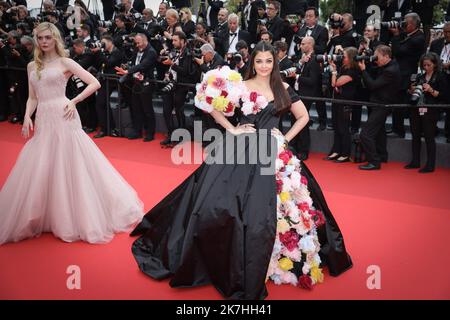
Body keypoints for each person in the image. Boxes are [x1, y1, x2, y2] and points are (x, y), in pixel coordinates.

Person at [130, 42, 352, 300]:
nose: (264, 66)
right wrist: (233, 128)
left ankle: (281, 251)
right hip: (240, 148)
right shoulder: (240, 86)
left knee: (285, 204)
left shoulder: (285, 88)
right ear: (252, 62)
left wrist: (285, 138)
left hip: (274, 152)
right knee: (218, 201)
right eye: (259, 61)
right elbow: (208, 103)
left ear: (275, 63)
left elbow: (303, 117)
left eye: (269, 61)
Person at [0, 23, 143, 244]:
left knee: (70, 161)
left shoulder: (65, 62)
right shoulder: (31, 66)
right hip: (44, 118)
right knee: (45, 163)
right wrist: (28, 115)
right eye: (40, 38)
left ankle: (74, 215)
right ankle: (48, 213)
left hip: (64, 114)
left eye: (48, 37)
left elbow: (94, 83)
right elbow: (33, 97)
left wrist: (74, 101)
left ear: (55, 39)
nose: (44, 41)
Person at [358, 45, 402, 170]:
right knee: (379, 132)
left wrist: (363, 70)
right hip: (380, 103)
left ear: (387, 56)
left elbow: (372, 85)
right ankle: (382, 155)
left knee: (365, 134)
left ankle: (374, 162)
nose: (375, 59)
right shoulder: (388, 66)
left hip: (383, 105)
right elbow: (374, 71)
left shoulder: (390, 70)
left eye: (378, 57)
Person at [405, 52, 448, 173]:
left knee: (429, 137)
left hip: (431, 110)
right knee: (415, 135)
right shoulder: (419, 77)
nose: (426, 67)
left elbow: (445, 95)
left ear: (435, 64)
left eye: (428, 65)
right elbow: (411, 93)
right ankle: (415, 161)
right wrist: (411, 89)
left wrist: (431, 90)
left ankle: (430, 164)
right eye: (424, 65)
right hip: (416, 109)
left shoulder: (441, 77)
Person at [326, 47, 361, 163]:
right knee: (336, 126)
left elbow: (335, 83)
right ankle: (336, 150)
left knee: (343, 128)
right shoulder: (344, 67)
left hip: (346, 102)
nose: (342, 58)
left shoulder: (353, 71)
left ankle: (345, 153)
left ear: (351, 58)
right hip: (337, 100)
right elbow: (334, 84)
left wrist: (334, 72)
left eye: (344, 56)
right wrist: (335, 70)